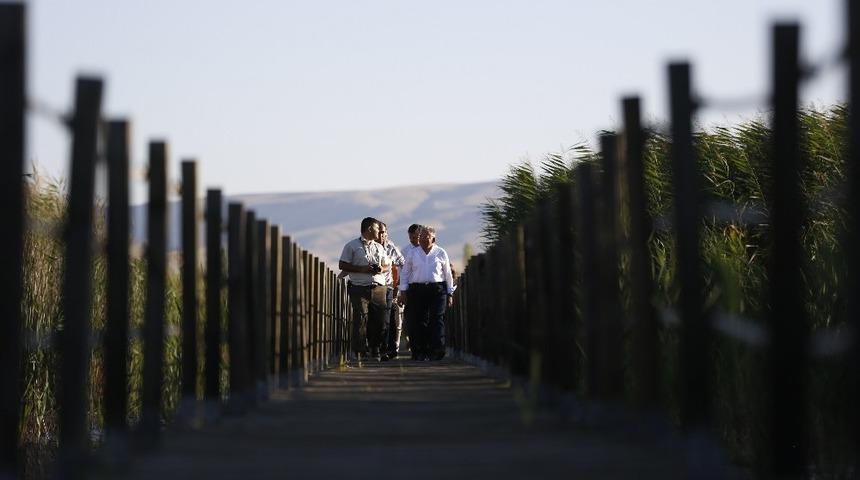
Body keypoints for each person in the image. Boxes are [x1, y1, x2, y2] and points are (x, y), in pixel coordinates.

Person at [398, 226, 455, 361]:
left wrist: (450, 293)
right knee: (419, 320)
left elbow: (448, 274)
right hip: (417, 289)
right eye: (421, 237)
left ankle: (437, 350)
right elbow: (405, 273)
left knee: (437, 319)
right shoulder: (412, 253)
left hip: (437, 289)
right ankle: (419, 351)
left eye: (426, 237)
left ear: (433, 239)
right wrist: (403, 291)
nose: (423, 239)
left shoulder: (441, 252)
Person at [338, 217, 390, 361]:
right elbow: (342, 264)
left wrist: (381, 268)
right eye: (376, 228)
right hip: (359, 287)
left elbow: (387, 265)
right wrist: (362, 269)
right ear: (369, 229)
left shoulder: (379, 247)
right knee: (361, 318)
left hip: (379, 287)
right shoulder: (351, 246)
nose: (379, 231)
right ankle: (360, 351)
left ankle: (375, 348)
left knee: (379, 320)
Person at [377, 222, 405, 360]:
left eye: (383, 232)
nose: (381, 235)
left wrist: (398, 284)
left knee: (387, 319)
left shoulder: (391, 247)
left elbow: (403, 264)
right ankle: (379, 348)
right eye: (379, 231)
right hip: (371, 286)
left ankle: (388, 349)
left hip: (388, 286)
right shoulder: (366, 246)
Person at [401, 224, 422, 359]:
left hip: (425, 288)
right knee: (411, 320)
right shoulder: (405, 251)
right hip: (410, 290)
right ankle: (415, 348)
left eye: (415, 237)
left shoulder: (429, 250)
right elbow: (402, 272)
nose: (412, 240)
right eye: (410, 238)